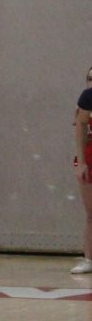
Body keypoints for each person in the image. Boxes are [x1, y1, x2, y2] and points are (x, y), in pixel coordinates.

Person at [73, 66, 92, 274]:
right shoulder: (88, 97)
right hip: (90, 156)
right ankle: (89, 258)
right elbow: (80, 126)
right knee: (91, 213)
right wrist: (80, 161)